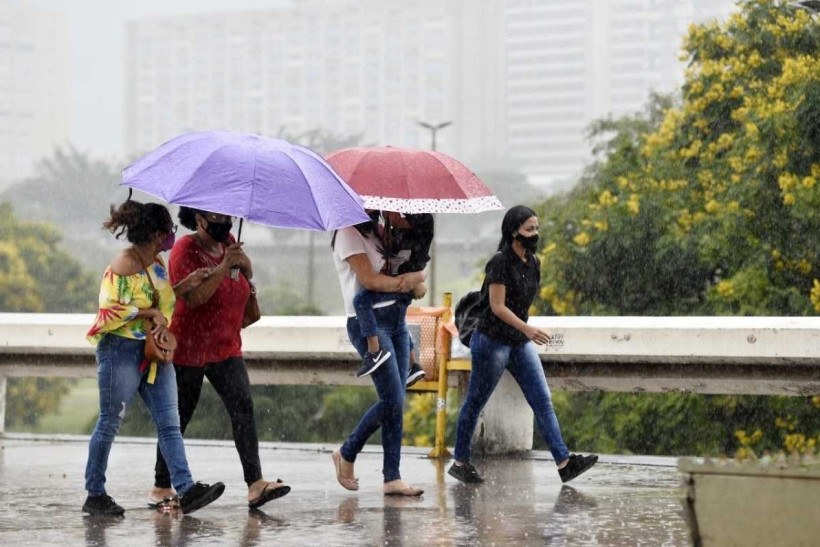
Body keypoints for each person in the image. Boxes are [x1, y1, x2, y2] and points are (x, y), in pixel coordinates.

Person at [84, 199, 225, 516]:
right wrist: (148, 312)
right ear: (157, 232)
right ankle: (95, 492)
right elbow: (109, 309)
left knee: (170, 424)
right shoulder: (123, 263)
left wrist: (183, 285)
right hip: (120, 350)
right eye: (169, 230)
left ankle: (186, 488)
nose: (172, 235)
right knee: (109, 422)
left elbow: (159, 296)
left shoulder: (156, 262)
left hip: (155, 351)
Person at [148, 207, 290, 510]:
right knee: (180, 416)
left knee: (243, 408)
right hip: (190, 345)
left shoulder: (230, 244)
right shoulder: (185, 250)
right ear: (198, 219)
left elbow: (242, 288)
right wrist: (225, 266)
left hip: (226, 345)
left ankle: (255, 483)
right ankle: (161, 485)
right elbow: (195, 298)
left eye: (227, 217)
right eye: (215, 218)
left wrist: (245, 269)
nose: (223, 223)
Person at [448, 205, 598, 484]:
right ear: (513, 231)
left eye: (536, 229)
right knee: (475, 401)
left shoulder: (534, 263)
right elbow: (497, 307)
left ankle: (564, 462)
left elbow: (522, 304)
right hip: (492, 341)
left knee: (542, 401)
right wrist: (528, 329)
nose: (534, 234)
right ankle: (460, 460)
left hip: (518, 342)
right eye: (529, 229)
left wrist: (524, 332)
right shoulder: (499, 262)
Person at [330, 212, 427, 496]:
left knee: (397, 400)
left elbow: (405, 270)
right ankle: (347, 453)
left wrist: (414, 276)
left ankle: (392, 476)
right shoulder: (347, 232)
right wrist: (409, 281)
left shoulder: (377, 230)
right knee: (392, 399)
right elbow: (370, 281)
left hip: (395, 319)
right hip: (367, 323)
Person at [352, 212, 433, 388]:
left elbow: (403, 269)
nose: (390, 213)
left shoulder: (410, 242)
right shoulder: (404, 235)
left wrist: (417, 279)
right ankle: (413, 365)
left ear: (411, 221)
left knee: (361, 300)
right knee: (399, 321)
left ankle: (374, 351)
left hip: (400, 289)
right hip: (400, 293)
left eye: (399, 214)